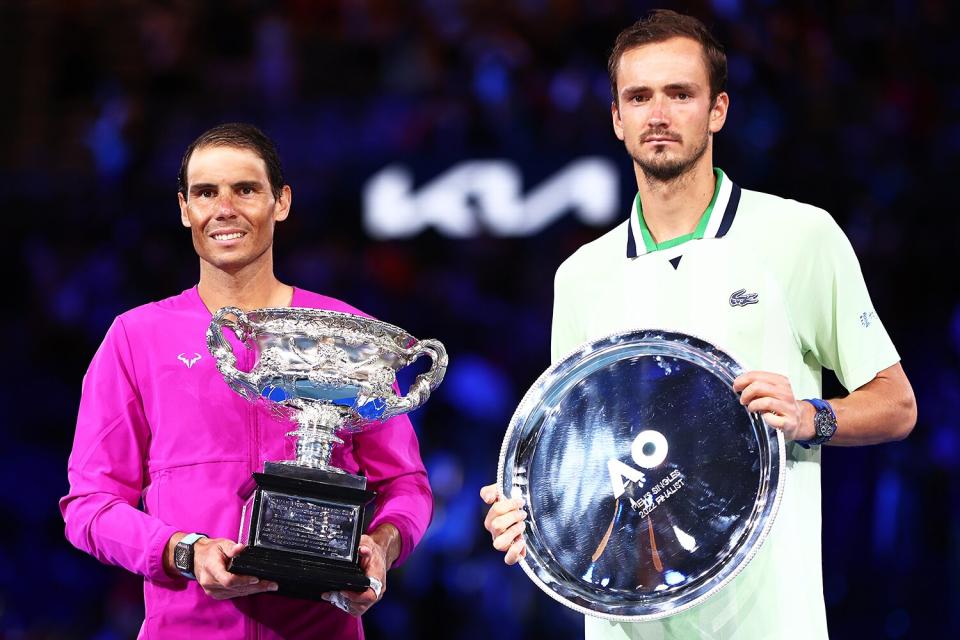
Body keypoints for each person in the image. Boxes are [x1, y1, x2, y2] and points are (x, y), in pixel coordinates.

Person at [481, 10, 916, 639]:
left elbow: (897, 405)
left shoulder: (799, 237)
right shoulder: (580, 276)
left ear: (717, 110)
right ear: (617, 118)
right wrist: (532, 516)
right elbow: (581, 461)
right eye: (640, 97)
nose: (658, 114)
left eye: (680, 94)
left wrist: (809, 417)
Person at [60, 123, 433, 639]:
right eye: (205, 192)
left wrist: (381, 546)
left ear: (281, 202)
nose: (225, 208)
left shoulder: (347, 335)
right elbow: (90, 506)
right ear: (185, 209)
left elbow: (405, 484)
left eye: (246, 189)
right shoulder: (136, 338)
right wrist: (185, 553)